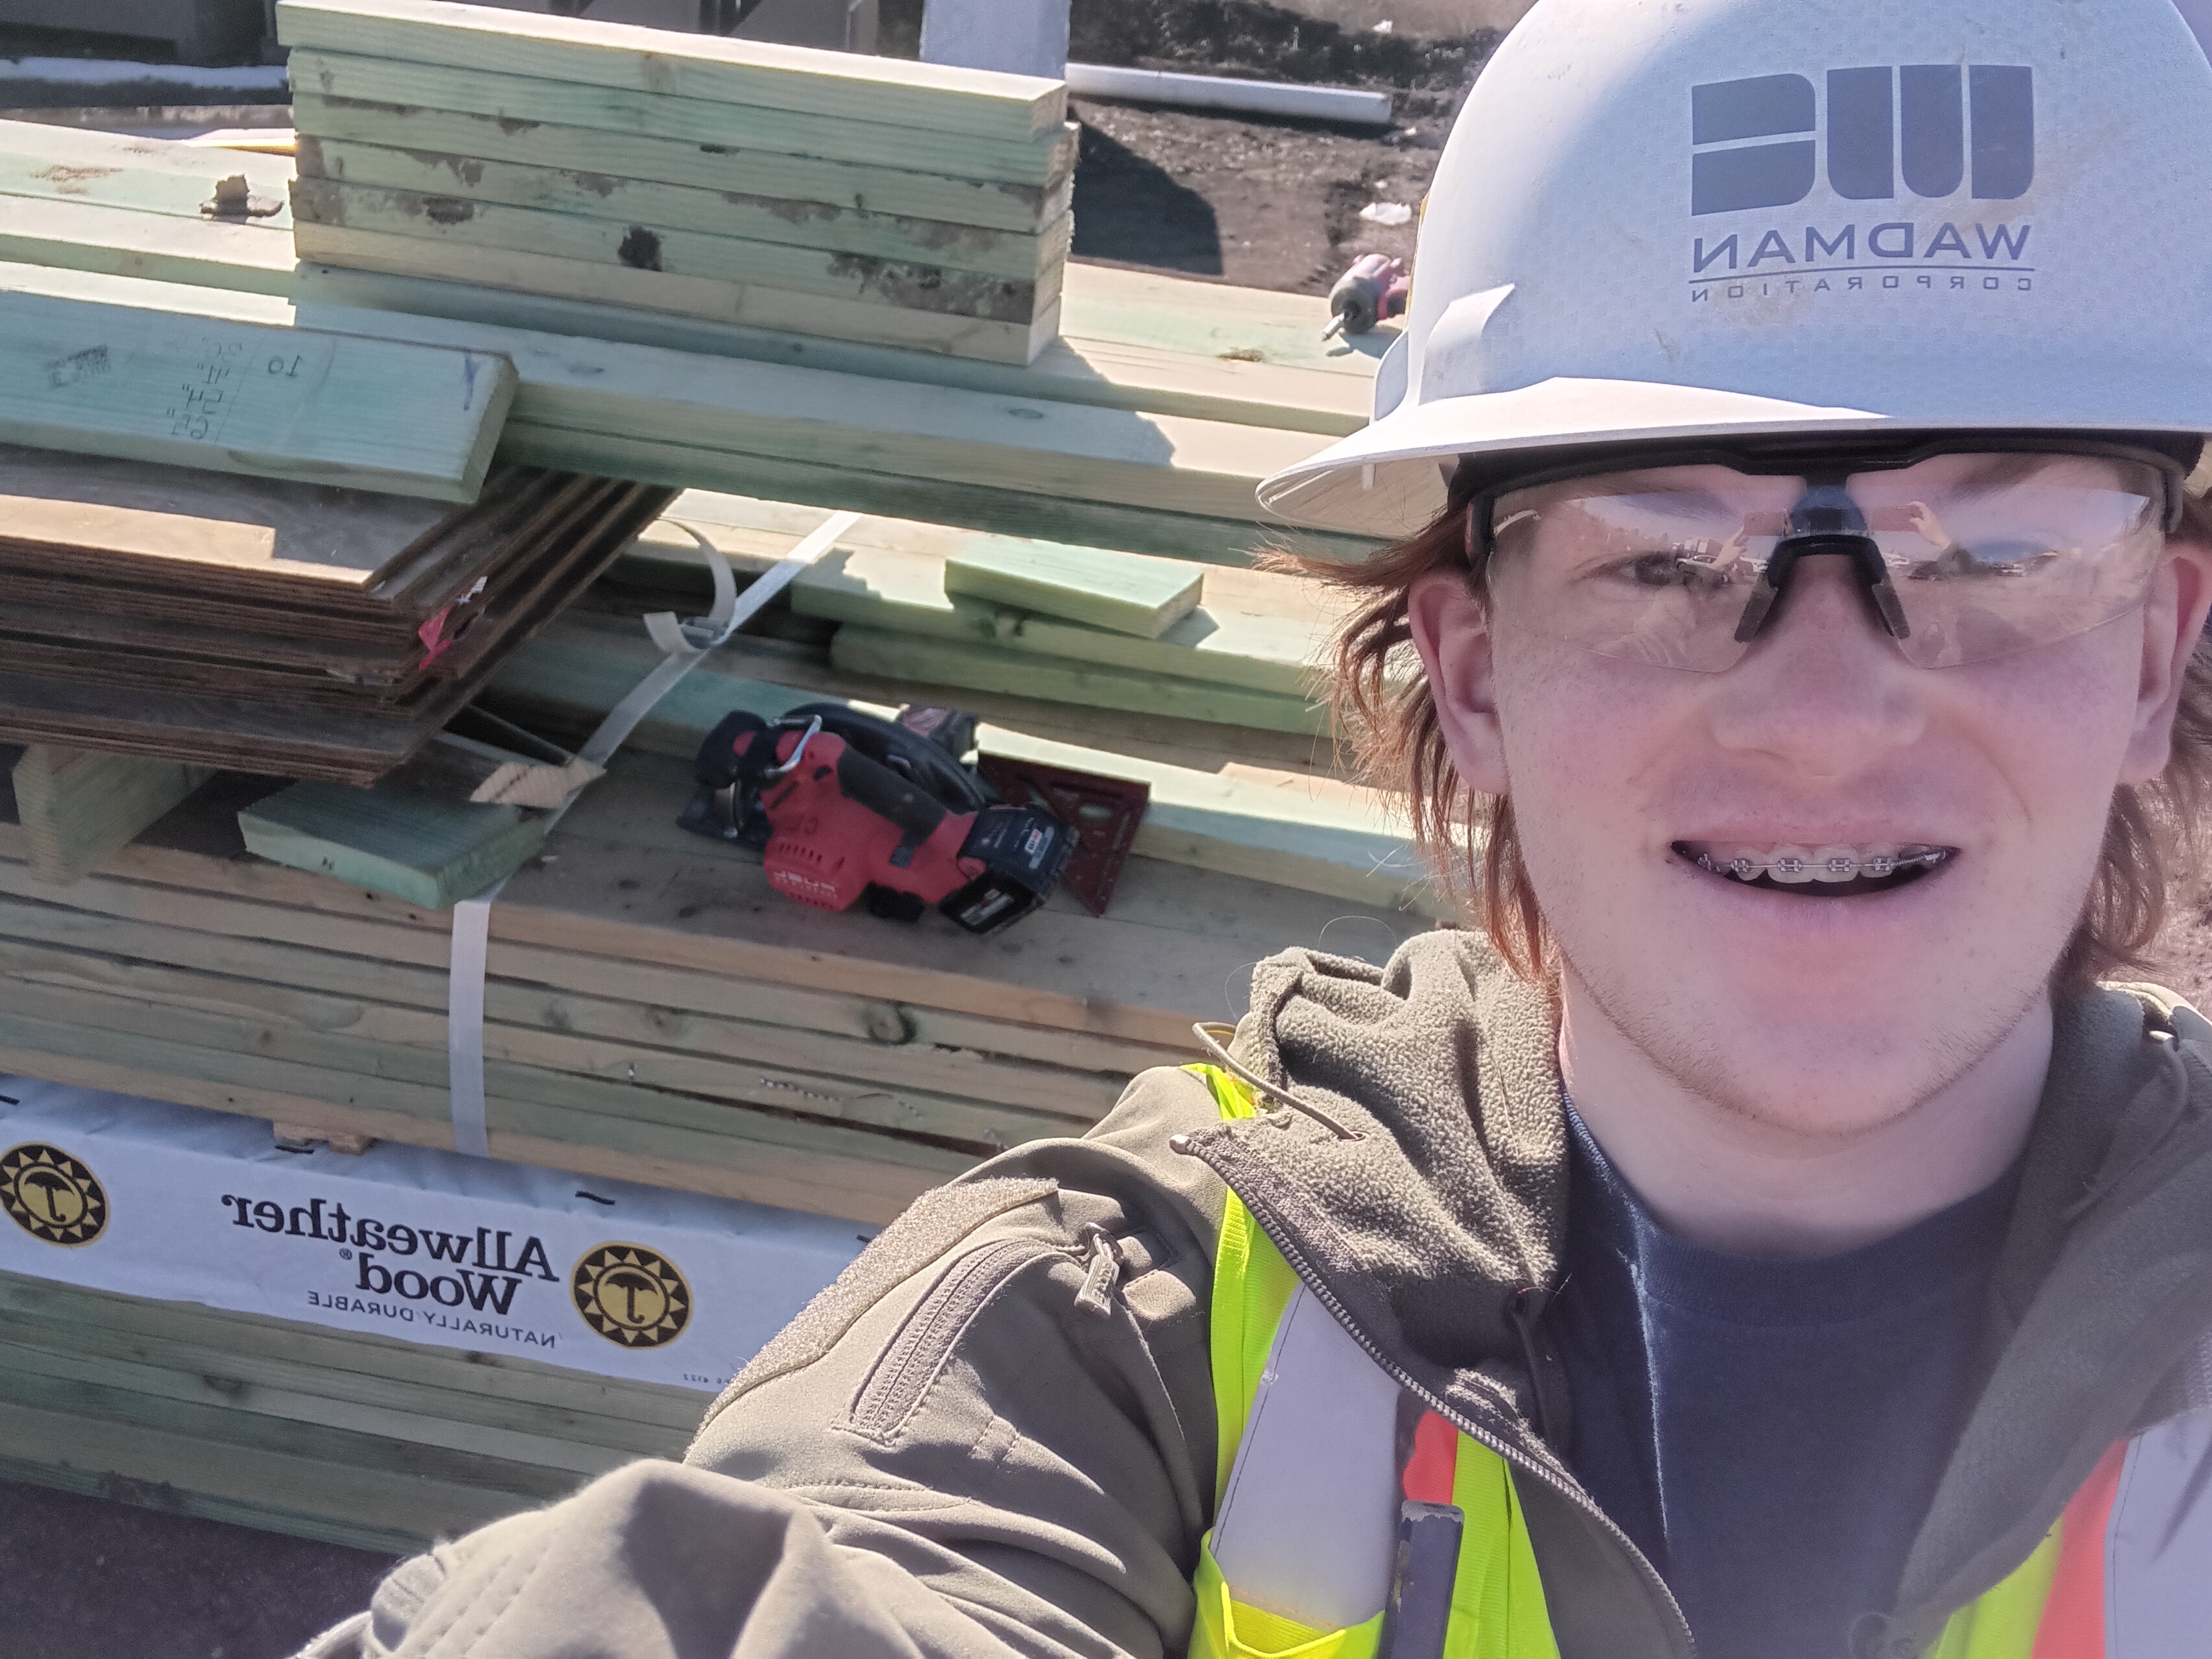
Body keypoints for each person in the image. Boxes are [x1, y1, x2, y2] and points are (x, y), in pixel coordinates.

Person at [305, 1, 2212, 1654]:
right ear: (1471, 677)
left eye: (2000, 551)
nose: (1821, 710)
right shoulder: (1125, 1319)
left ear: (2153, 653)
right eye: (1667, 558)